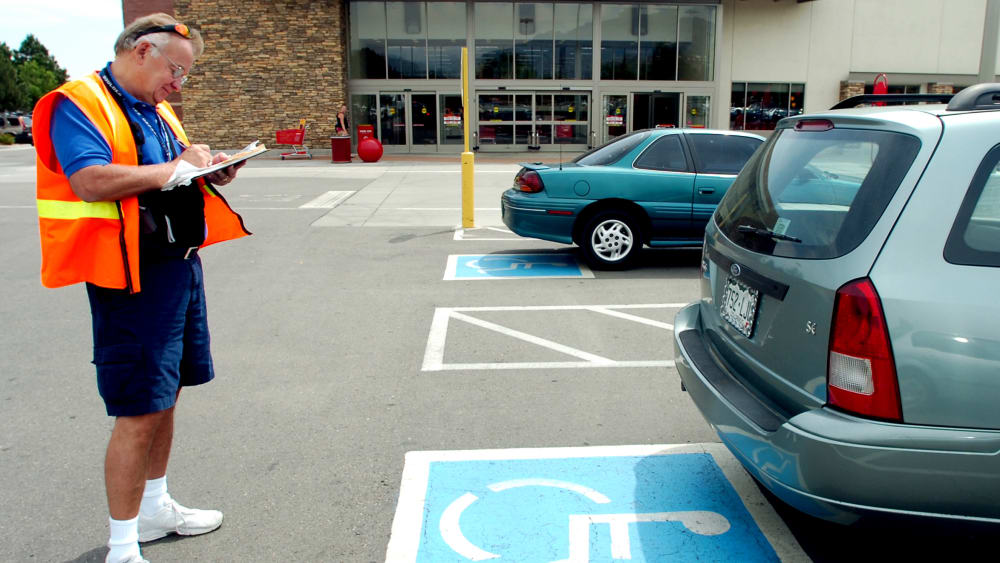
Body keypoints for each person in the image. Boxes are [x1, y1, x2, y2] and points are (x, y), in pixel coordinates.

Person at [33, 13, 249, 563]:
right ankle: (123, 547)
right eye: (175, 70)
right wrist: (174, 170)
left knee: (166, 394)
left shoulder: (156, 108)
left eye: (185, 75)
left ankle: (154, 508)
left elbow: (171, 172)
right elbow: (89, 180)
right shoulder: (80, 102)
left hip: (177, 266)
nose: (178, 83)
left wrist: (208, 169)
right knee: (138, 409)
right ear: (140, 50)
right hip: (130, 277)